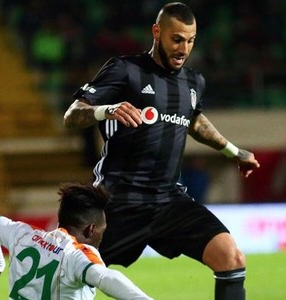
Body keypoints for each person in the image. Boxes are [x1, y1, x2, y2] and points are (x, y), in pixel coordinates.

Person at [63, 3, 260, 300]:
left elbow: (194, 120)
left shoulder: (194, 82)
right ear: (157, 32)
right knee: (67, 272)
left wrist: (233, 151)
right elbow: (73, 115)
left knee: (231, 258)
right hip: (119, 200)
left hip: (168, 200)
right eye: (177, 39)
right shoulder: (125, 70)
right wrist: (107, 110)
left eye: (190, 40)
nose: (184, 48)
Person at [0, 183, 153, 300]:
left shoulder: (22, 235)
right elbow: (106, 278)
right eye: (102, 230)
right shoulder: (76, 256)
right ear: (91, 229)